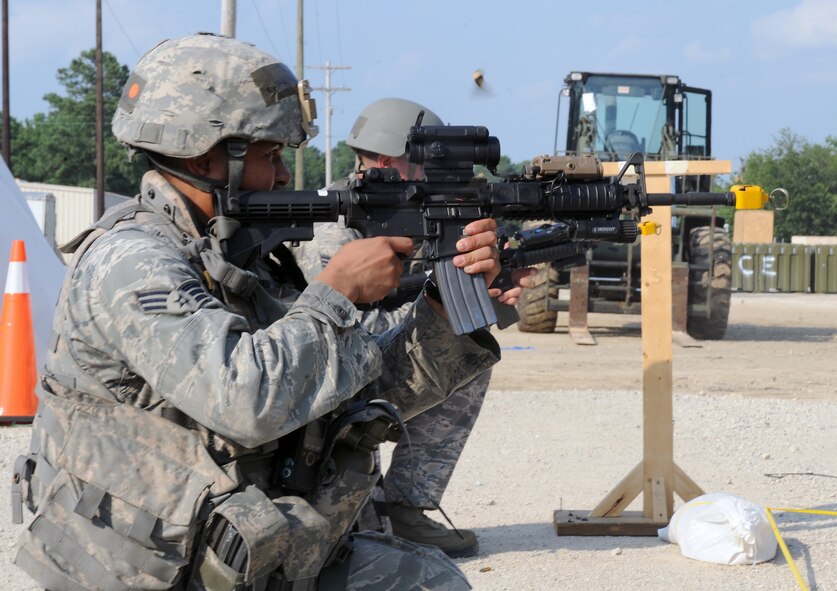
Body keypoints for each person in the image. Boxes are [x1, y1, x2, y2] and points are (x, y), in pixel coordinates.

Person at [12, 33, 505, 591]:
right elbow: (244, 401)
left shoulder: (237, 256)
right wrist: (334, 293)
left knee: (429, 581)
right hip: (141, 570)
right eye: (270, 155)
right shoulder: (133, 261)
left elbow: (359, 393)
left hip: (240, 545)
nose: (285, 177)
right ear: (206, 155)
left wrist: (440, 306)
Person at [293, 98, 527, 559]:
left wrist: (484, 294)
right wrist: (438, 305)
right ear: (386, 161)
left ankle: (403, 507)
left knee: (466, 353)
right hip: (321, 374)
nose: (434, 176)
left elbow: (416, 301)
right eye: (424, 164)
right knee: (444, 342)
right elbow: (355, 329)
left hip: (356, 364)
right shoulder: (333, 225)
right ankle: (362, 505)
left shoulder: (411, 210)